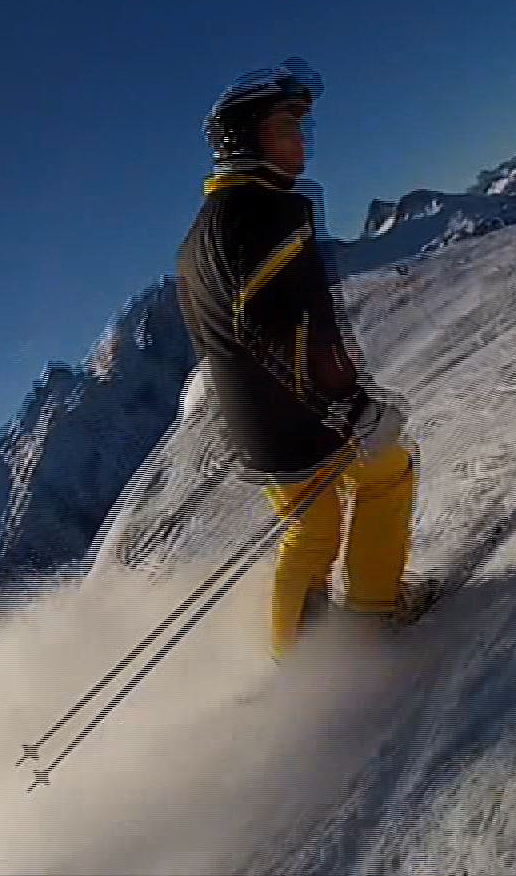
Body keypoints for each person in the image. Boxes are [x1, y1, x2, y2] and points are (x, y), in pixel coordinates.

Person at [177, 58, 430, 661]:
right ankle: (340, 641)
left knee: (321, 517)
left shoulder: (231, 210)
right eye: (291, 124)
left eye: (305, 123)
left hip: (264, 406)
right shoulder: (253, 212)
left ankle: (335, 640)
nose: (306, 138)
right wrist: (346, 404)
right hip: (286, 409)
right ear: (251, 134)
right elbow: (270, 326)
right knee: (371, 484)